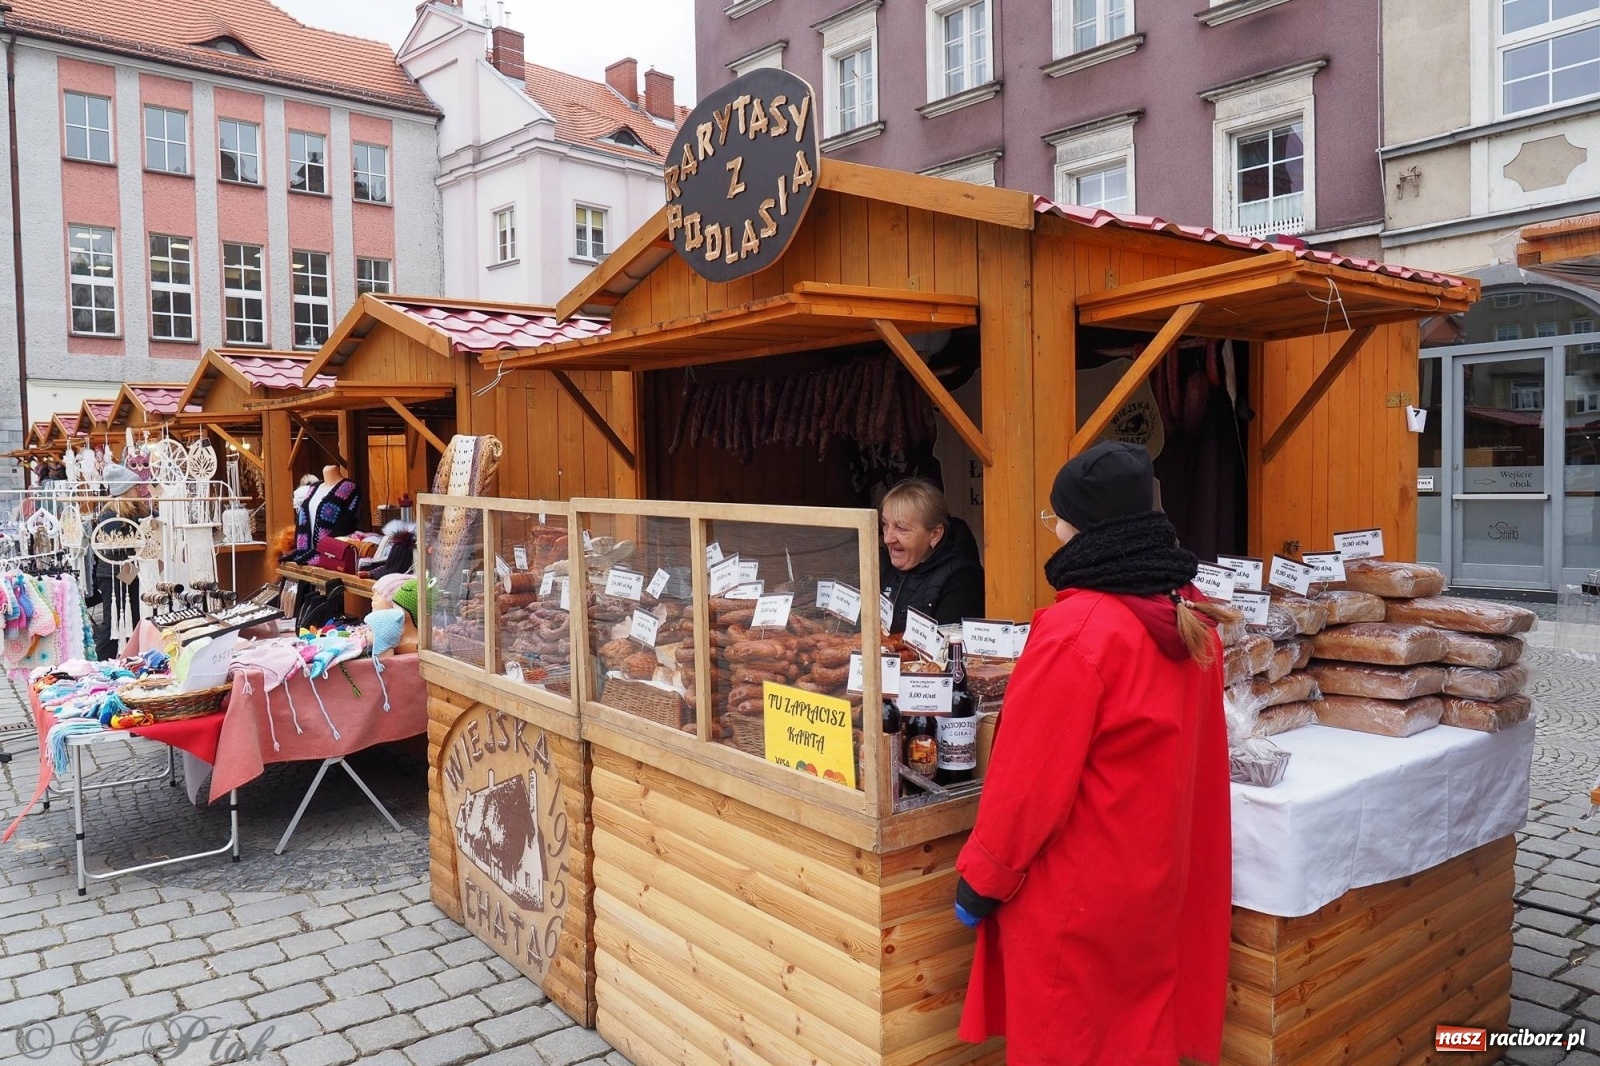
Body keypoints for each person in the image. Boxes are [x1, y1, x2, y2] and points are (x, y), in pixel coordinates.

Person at [952, 441, 1231, 1065]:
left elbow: (1027, 785)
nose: (1052, 528)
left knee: (1067, 1042)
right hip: (1153, 882)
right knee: (1136, 1039)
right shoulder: (1188, 610)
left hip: (1076, 894)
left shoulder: (1077, 633)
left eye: (1056, 516)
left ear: (1081, 526)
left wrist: (983, 880)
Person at [879, 478, 984, 632]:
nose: (888, 538)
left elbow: (947, 647)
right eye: (885, 524)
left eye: (901, 528)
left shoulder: (962, 578)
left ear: (935, 534)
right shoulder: (883, 563)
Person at [89, 464, 148, 660]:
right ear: (124, 490)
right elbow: (116, 541)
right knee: (113, 619)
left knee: (136, 615)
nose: (140, 490)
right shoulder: (110, 514)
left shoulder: (139, 510)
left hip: (133, 571)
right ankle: (104, 661)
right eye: (135, 487)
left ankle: (132, 656)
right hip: (113, 574)